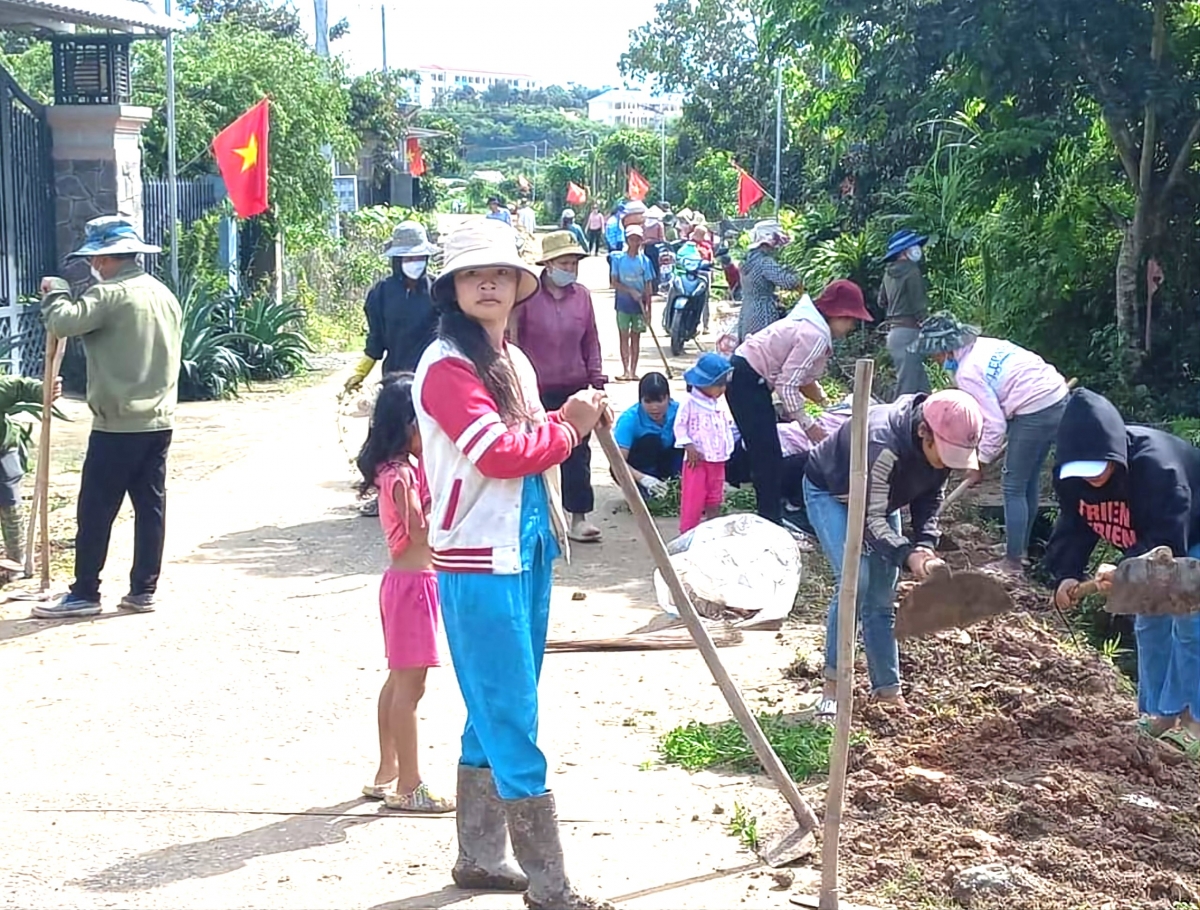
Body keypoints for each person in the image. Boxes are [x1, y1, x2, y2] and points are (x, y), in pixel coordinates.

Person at [413, 219, 610, 909]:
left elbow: (526, 437)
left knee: (490, 705)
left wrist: (567, 415)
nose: (488, 282)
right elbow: (497, 453)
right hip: (475, 562)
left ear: (520, 285)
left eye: (499, 273)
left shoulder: (514, 362)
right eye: (472, 274)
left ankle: (480, 854)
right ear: (452, 289)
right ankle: (549, 883)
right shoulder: (445, 367)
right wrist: (569, 428)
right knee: (512, 710)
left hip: (526, 546)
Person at [33, 216, 182, 618]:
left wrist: (56, 293)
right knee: (150, 507)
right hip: (158, 420)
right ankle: (143, 589)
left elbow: (64, 322)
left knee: (96, 509)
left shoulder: (111, 294)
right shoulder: (162, 294)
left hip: (117, 423)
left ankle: (85, 592)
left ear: (103, 258)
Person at [804, 389, 984, 717]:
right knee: (854, 581)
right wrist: (908, 555)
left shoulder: (940, 446)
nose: (947, 463)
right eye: (945, 454)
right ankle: (832, 688)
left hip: (881, 496)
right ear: (922, 432)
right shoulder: (882, 444)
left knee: (883, 594)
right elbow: (871, 520)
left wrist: (926, 547)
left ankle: (887, 692)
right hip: (833, 492)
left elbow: (930, 499)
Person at [1045, 389, 1200, 755]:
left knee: (1190, 622)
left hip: (1188, 538)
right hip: (1144, 552)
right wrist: (1066, 574)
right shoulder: (1074, 481)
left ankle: (1194, 721)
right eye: (1082, 472)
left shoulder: (1158, 469)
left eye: (1098, 467)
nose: (1091, 479)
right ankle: (1159, 714)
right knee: (1149, 622)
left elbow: (1167, 539)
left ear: (1116, 454)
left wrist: (1126, 566)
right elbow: (1074, 524)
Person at [357, 373, 454, 813]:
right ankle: (410, 784)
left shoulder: (391, 471)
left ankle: (387, 772)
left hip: (404, 582)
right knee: (410, 689)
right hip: (415, 585)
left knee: (398, 680)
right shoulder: (403, 477)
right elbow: (420, 530)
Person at [911, 314, 1070, 573]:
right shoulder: (982, 346)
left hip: (1037, 407)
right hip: (1054, 397)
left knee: (1012, 485)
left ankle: (1013, 561)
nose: (935, 360)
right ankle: (1019, 546)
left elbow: (995, 424)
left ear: (946, 349)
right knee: (1025, 480)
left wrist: (979, 461)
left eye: (935, 355)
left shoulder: (968, 371)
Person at [727, 280, 873, 526]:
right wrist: (808, 424)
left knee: (765, 450)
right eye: (849, 320)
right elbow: (788, 384)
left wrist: (827, 403)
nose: (850, 327)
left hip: (750, 375)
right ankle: (771, 520)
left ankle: (768, 512)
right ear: (838, 314)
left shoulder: (809, 326)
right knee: (767, 455)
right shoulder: (814, 335)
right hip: (748, 379)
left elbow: (802, 379)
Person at [516, 231, 606, 543]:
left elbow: (591, 340)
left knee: (578, 454)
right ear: (549, 264)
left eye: (574, 263)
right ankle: (538, 519)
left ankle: (579, 517)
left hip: (575, 385)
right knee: (536, 452)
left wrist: (597, 381)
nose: (571, 268)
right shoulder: (526, 297)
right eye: (565, 262)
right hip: (535, 389)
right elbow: (513, 341)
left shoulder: (582, 296)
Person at [0, 373, 63, 572]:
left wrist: (44, 390)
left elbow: (20, 386)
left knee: (9, 502)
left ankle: (16, 561)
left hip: (2, 450)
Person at [675, 353, 735, 533]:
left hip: (718, 460)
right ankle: (687, 533)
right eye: (719, 384)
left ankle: (713, 530)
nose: (723, 388)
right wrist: (688, 445)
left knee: (715, 498)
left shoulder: (718, 402)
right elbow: (679, 426)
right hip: (697, 461)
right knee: (693, 500)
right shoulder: (689, 402)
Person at [880, 229, 932, 397]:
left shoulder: (888, 274)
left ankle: (929, 416)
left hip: (894, 334)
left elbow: (881, 301)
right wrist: (930, 327)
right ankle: (895, 421)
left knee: (920, 384)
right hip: (910, 333)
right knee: (908, 387)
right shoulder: (912, 271)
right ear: (905, 250)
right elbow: (918, 306)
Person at [614, 372, 681, 496]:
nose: (654, 407)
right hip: (641, 467)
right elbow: (617, 462)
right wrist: (643, 479)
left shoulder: (681, 412)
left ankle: (676, 482)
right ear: (640, 400)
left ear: (668, 398)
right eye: (648, 401)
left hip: (669, 462)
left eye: (660, 401)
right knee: (650, 441)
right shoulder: (629, 419)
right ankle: (643, 489)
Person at [737, 220, 802, 340]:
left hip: (747, 311)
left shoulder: (747, 260)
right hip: (763, 312)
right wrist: (799, 272)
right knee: (763, 349)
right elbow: (788, 282)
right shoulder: (765, 262)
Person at [609, 224, 654, 383]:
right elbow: (614, 282)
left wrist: (649, 309)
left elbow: (648, 286)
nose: (635, 242)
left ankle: (633, 371)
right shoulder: (618, 259)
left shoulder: (645, 261)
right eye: (632, 239)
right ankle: (625, 370)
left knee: (636, 338)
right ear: (627, 240)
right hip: (623, 304)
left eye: (637, 239)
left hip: (639, 306)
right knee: (623, 336)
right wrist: (630, 291)